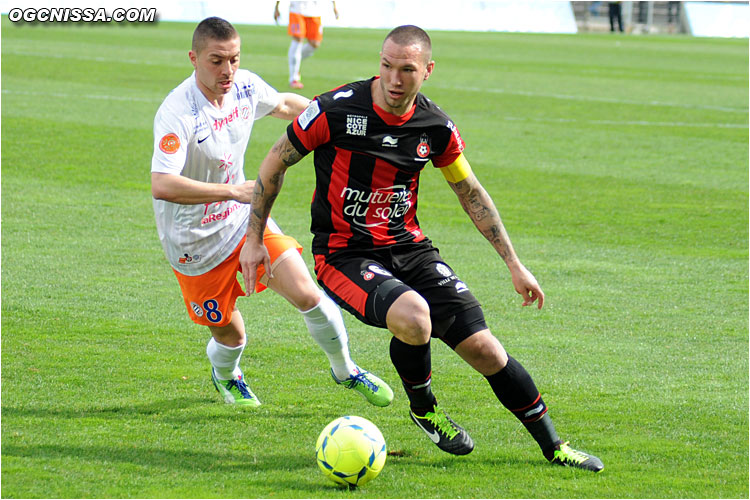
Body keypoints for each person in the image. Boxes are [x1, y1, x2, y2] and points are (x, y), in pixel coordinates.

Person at [241, 25, 604, 472]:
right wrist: (255, 240)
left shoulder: (436, 126)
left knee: (487, 351)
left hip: (410, 251)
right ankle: (425, 409)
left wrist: (514, 264)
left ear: (427, 71)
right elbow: (274, 163)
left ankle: (555, 448)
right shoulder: (332, 111)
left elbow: (470, 192)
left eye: (407, 70)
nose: (394, 79)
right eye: (387, 66)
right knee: (414, 318)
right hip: (344, 254)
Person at [150, 16, 393, 408]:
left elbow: (282, 104)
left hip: (243, 222)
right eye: (216, 61)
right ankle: (227, 375)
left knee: (308, 294)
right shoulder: (178, 113)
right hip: (192, 244)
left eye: (234, 58)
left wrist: (331, 117)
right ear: (193, 58)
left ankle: (346, 370)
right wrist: (233, 190)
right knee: (230, 334)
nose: (228, 70)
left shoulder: (244, 84)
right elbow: (162, 184)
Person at [274, 1, 339, 89]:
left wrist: (334, 6)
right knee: (298, 39)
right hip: (297, 10)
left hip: (314, 11)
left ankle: (296, 63)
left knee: (315, 43)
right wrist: (277, 7)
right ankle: (293, 79)